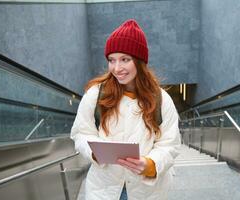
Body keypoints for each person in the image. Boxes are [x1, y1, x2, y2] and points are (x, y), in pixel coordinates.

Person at [70, 19, 181, 200]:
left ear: (139, 62)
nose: (117, 68)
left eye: (125, 59)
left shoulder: (161, 99)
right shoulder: (95, 94)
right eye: (111, 60)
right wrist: (95, 152)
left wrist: (151, 164)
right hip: (104, 188)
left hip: (147, 191)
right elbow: (80, 133)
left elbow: (170, 144)